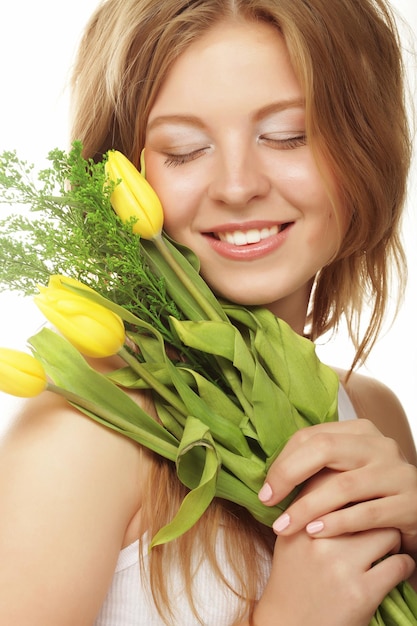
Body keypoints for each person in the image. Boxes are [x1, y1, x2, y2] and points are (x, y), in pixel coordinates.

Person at [0, 0, 416, 624]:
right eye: (186, 150)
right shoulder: (83, 437)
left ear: (367, 146)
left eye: (288, 135)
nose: (238, 184)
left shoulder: (373, 416)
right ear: (119, 176)